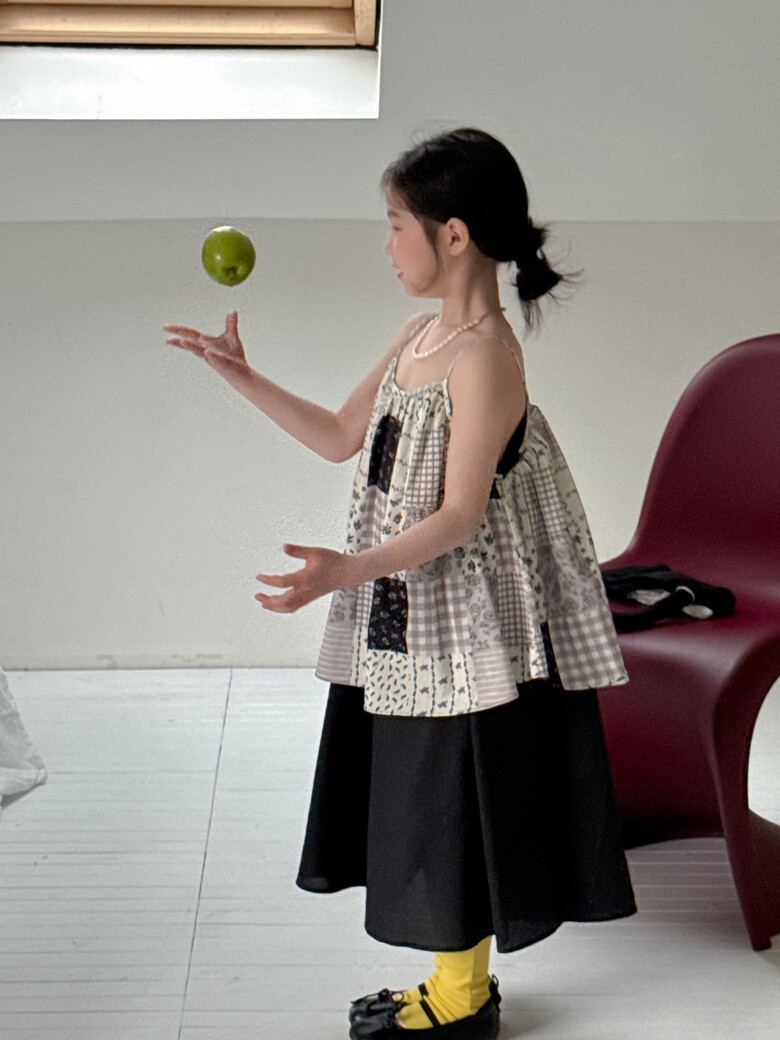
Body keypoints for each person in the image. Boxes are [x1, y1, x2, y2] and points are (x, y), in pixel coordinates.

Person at [164, 127, 636, 1040]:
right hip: (408, 611)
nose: (385, 245)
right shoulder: (422, 336)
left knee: (451, 795)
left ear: (452, 235)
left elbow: (459, 516)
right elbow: (342, 434)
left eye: (394, 224)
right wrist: (240, 375)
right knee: (425, 793)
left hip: (462, 626)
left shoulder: (484, 356)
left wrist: (345, 570)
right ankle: (456, 989)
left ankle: (459, 1001)